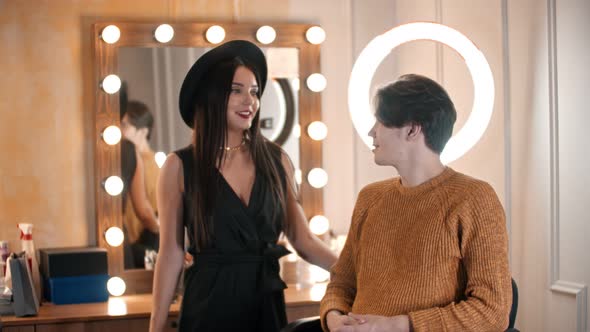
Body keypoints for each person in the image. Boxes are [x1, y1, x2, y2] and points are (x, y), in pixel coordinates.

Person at [149, 40, 337, 332]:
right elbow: (171, 253)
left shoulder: (277, 161)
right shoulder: (178, 166)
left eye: (254, 92)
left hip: (264, 303)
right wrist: (156, 326)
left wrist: (355, 273)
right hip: (207, 308)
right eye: (236, 90)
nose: (249, 101)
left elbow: (303, 240)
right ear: (211, 96)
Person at [320, 74, 512, 332]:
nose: (371, 131)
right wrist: (334, 317)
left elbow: (492, 312)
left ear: (412, 130)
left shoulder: (474, 199)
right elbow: (342, 283)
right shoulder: (370, 197)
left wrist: (395, 326)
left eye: (380, 121)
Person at [121, 100, 160, 268]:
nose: (119, 130)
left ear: (143, 131)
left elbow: (147, 213)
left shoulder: (153, 167)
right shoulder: (125, 159)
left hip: (142, 243)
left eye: (124, 125)